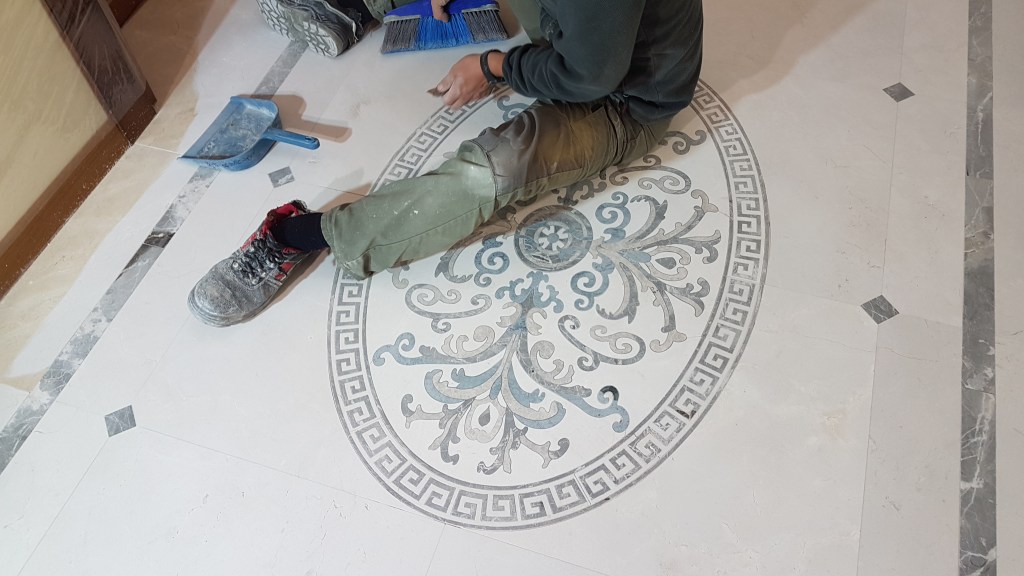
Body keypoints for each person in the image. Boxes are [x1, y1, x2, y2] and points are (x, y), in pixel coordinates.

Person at [188, 0, 704, 326]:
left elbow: (588, 78)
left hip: (625, 103)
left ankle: (297, 234)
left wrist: (495, 66)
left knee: (493, 169)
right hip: (586, 44)